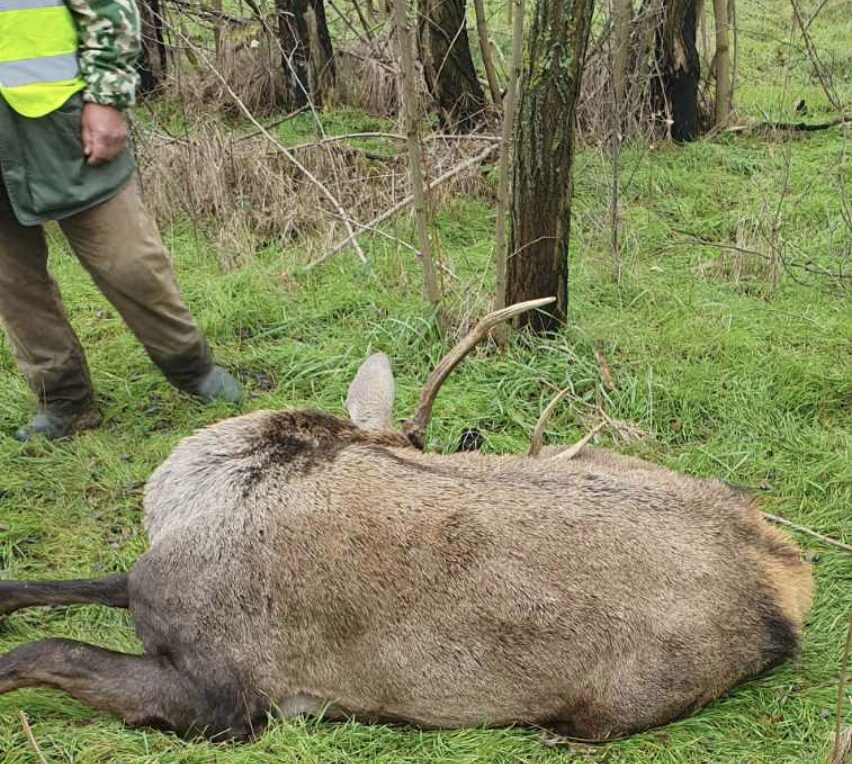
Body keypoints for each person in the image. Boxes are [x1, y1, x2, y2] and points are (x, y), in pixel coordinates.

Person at [0, 0, 241, 441]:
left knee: (129, 262)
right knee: (14, 288)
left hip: (62, 123)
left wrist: (106, 98)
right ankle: (65, 402)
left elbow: (109, 8)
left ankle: (193, 369)